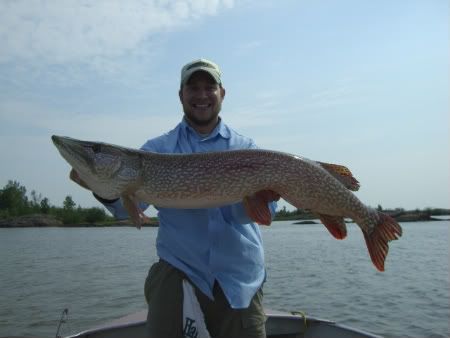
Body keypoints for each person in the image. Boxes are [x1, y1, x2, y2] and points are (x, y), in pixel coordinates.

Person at [70, 58, 280, 338]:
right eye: (193, 88)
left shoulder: (246, 148)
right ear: (181, 95)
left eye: (209, 87)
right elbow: (126, 211)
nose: (202, 95)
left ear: (222, 93)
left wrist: (260, 198)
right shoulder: (156, 151)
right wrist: (99, 186)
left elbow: (265, 215)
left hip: (239, 278)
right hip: (179, 271)